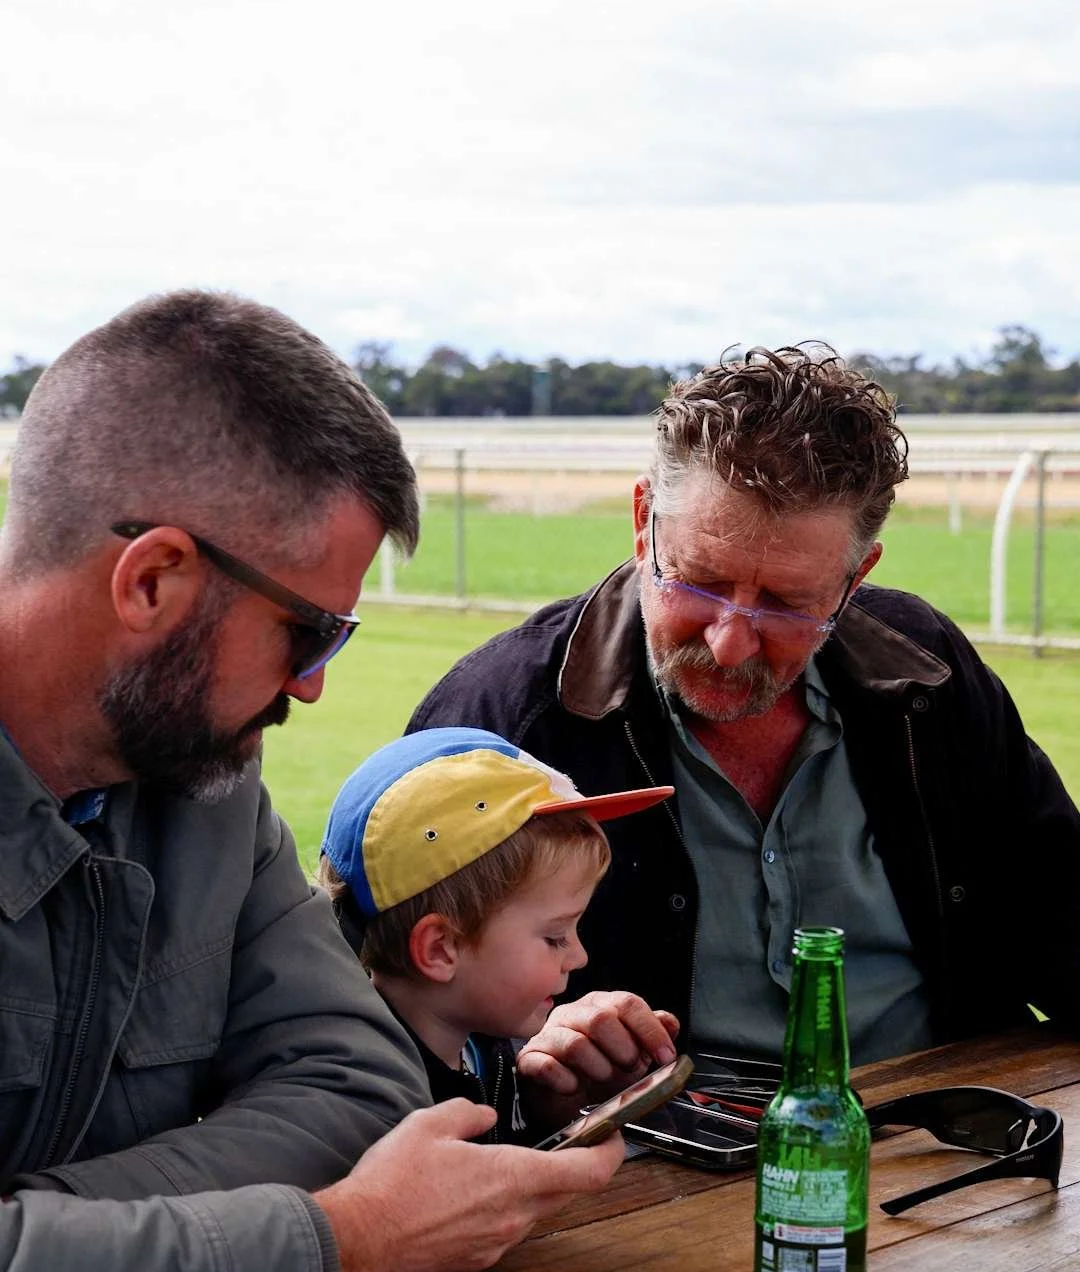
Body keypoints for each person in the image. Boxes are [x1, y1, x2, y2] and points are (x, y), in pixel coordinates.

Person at [0, 291, 628, 1272]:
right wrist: (339, 1240)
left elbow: (353, 1080)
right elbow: (345, 1175)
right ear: (153, 580)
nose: (314, 686)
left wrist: (44, 1246)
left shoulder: (208, 788)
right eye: (309, 630)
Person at [409, 345, 1080, 1068]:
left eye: (788, 604)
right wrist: (530, 1074)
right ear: (643, 524)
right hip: (642, 1166)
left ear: (856, 580)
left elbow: (1063, 919)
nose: (730, 643)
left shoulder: (931, 677)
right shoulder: (497, 720)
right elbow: (396, 1021)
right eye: (698, 583)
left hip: (945, 1138)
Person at [318, 726, 679, 1138]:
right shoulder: (379, 1107)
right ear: (441, 949)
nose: (580, 957)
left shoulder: (477, 1045)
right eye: (555, 936)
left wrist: (552, 1112)